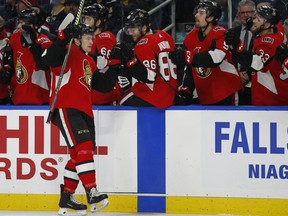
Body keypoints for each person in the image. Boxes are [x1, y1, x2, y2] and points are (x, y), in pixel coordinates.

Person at [42, 23, 109, 215]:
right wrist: (63, 38)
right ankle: (92, 192)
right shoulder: (67, 52)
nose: (92, 41)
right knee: (84, 146)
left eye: (93, 38)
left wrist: (117, 65)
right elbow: (47, 59)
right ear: (78, 40)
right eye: (88, 38)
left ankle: (67, 199)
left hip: (84, 110)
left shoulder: (90, 61)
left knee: (79, 154)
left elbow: (103, 85)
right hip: (66, 106)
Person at [172, 0, 243, 105]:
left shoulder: (221, 33)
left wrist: (188, 56)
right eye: (197, 12)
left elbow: (216, 58)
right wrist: (186, 89)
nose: (196, 15)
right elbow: (190, 67)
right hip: (206, 92)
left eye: (201, 13)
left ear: (210, 18)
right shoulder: (190, 37)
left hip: (226, 91)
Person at [110, 8, 177, 108]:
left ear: (144, 28)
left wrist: (130, 62)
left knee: (119, 100)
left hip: (157, 97)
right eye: (129, 29)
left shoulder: (143, 44)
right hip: (171, 93)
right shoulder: (165, 35)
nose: (131, 33)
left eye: (133, 29)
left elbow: (149, 77)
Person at [225, 4, 288, 105]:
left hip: (272, 97)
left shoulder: (268, 44)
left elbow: (256, 64)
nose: (253, 21)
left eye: (257, 20)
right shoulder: (277, 28)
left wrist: (238, 47)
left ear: (266, 26)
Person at [0, 7, 51, 105]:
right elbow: (10, 61)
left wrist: (35, 46)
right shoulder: (15, 37)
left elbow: (44, 66)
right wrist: (7, 70)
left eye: (23, 23)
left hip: (41, 99)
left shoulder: (45, 41)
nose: (19, 26)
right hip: (18, 97)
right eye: (19, 22)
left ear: (34, 26)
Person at [82, 3, 123, 105]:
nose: (85, 22)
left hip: (105, 95)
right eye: (84, 19)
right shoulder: (87, 38)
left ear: (98, 22)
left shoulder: (105, 37)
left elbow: (102, 63)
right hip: (93, 92)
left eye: (88, 19)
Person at [232, 0, 256, 105]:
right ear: (238, 15)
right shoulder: (232, 33)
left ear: (254, 13)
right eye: (242, 12)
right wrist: (237, 74)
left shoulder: (260, 33)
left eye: (249, 12)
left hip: (255, 81)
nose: (246, 15)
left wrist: (248, 74)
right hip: (235, 81)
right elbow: (229, 57)